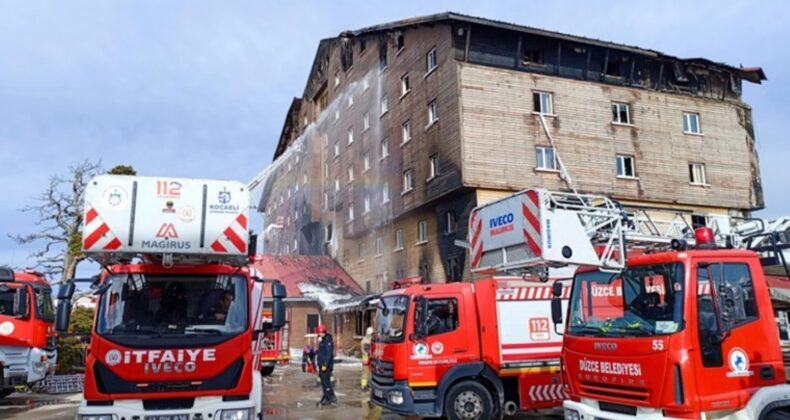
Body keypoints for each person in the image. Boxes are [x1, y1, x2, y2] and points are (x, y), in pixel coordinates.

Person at [316, 324, 336, 406]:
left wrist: (325, 364)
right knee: (323, 382)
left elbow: (328, 354)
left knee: (325, 382)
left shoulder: (327, 341)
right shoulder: (323, 340)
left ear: (323, 332)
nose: (318, 334)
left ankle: (329, 398)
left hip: (326, 366)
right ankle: (328, 395)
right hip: (322, 365)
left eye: (319, 333)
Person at [360, 326, 373, 390]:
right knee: (365, 373)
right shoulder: (367, 341)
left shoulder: (365, 339)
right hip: (367, 359)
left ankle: (365, 384)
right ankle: (364, 385)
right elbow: (367, 351)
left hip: (366, 359)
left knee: (366, 373)